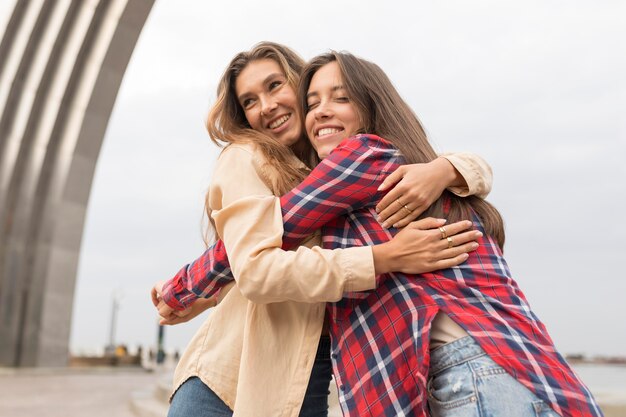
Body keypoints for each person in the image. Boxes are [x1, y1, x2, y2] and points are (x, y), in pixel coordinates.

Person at [158, 50, 602, 417]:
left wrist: (183, 289)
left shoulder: (360, 162)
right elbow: (253, 262)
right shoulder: (261, 161)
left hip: (468, 371)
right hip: (233, 381)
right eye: (250, 100)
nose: (268, 105)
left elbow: (271, 236)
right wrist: (190, 294)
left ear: (368, 107)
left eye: (276, 87)